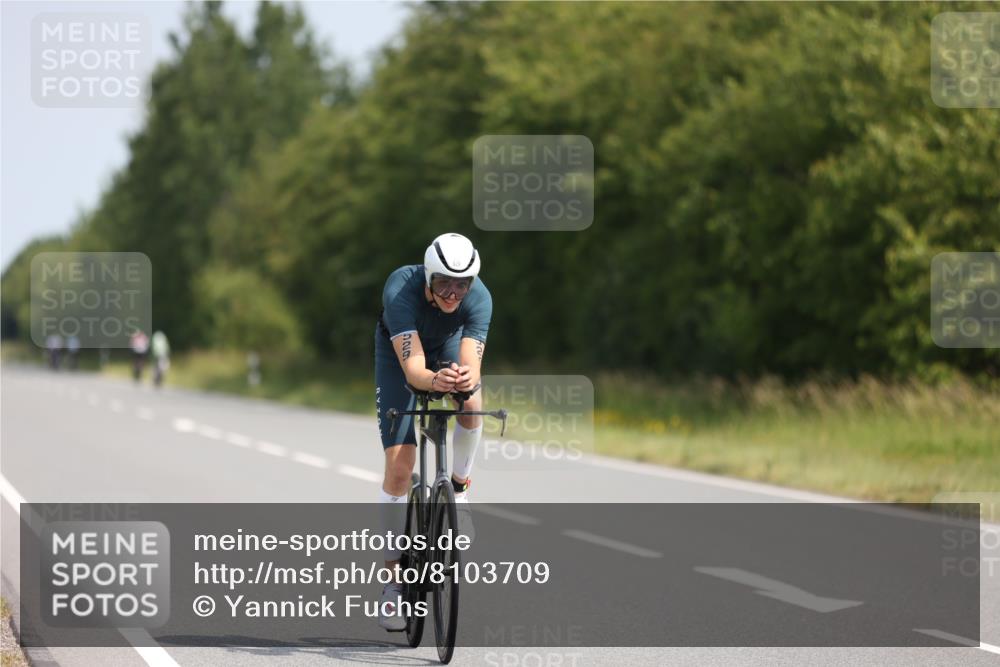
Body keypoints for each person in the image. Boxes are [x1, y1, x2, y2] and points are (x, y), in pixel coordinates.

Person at [374, 233, 491, 631]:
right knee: (400, 468)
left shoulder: (479, 299)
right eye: (444, 283)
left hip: (446, 350)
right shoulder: (401, 289)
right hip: (401, 358)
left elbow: (472, 367)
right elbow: (414, 370)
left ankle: (458, 487)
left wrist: (460, 379)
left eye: (462, 284)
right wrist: (433, 380)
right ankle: (391, 585)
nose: (453, 293)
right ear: (428, 276)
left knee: (473, 404)